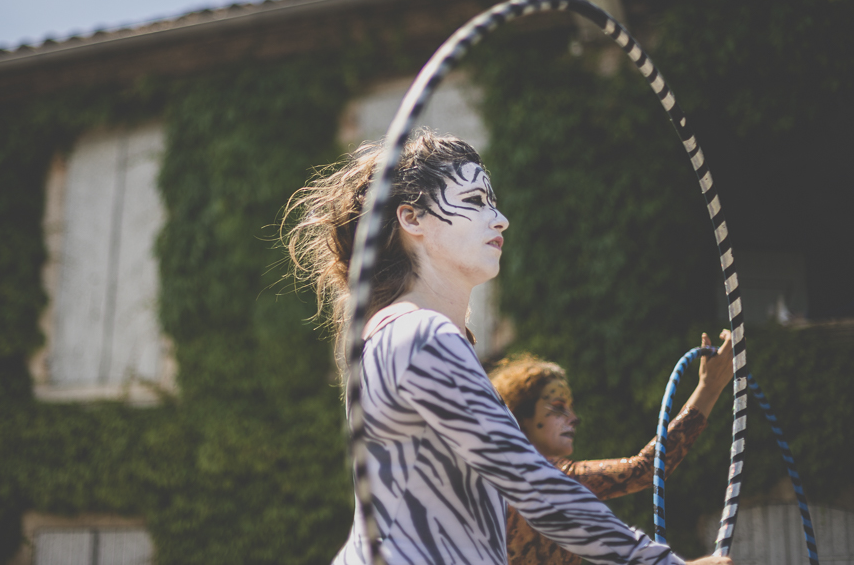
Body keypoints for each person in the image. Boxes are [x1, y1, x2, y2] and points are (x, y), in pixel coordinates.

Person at [284, 129, 731, 565]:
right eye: (476, 201)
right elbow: (532, 483)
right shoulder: (418, 335)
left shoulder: (402, 335)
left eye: (493, 203)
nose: (500, 219)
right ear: (411, 218)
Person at [490, 329, 734, 565]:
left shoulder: (494, 478)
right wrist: (710, 387)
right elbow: (646, 469)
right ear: (520, 417)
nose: (574, 418)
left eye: (571, 407)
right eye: (558, 407)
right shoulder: (551, 478)